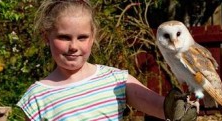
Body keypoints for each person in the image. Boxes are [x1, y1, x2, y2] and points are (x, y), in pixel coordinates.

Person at [17, 0, 165, 120]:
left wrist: (184, 104)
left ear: (93, 37)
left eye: (82, 37)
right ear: (46, 37)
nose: (74, 46)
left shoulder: (116, 80)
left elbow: (166, 109)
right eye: (64, 37)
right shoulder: (37, 97)